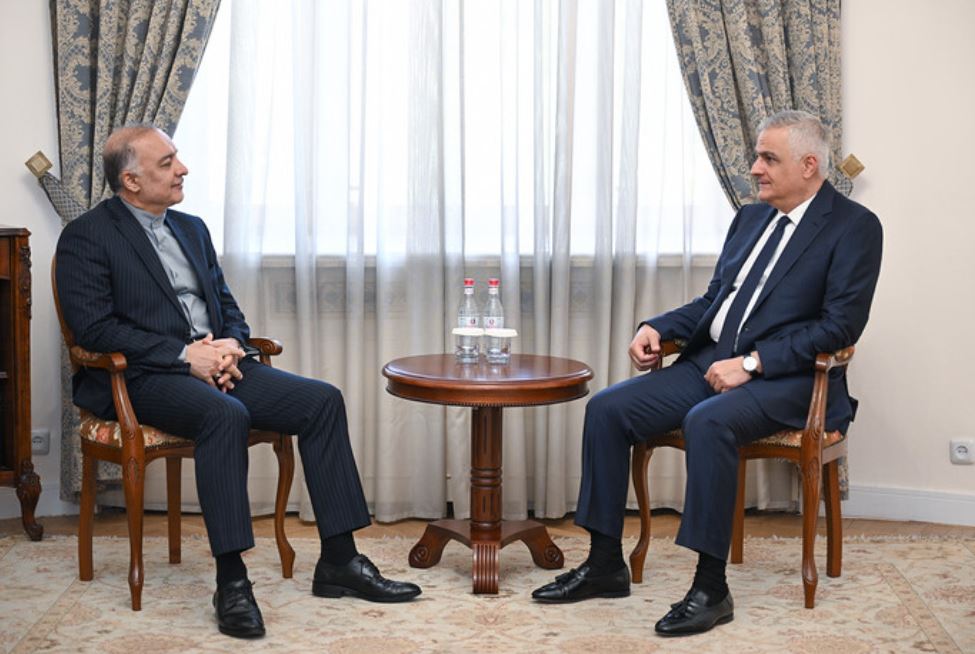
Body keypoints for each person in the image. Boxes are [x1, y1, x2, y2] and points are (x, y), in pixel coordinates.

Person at [55, 125, 422, 639]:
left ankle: (340, 561)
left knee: (321, 401)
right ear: (131, 180)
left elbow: (225, 304)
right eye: (167, 163)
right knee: (225, 415)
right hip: (145, 377)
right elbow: (95, 329)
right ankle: (231, 582)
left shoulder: (192, 228)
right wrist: (186, 356)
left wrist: (231, 345)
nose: (182, 169)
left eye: (177, 158)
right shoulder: (87, 236)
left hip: (216, 364)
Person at [530, 110, 882, 636]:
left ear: (809, 165)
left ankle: (711, 589)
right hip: (708, 363)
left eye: (768, 158)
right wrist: (657, 326)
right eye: (757, 156)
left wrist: (752, 363)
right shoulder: (751, 219)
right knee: (607, 408)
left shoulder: (854, 227)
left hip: (789, 382)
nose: (755, 168)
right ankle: (604, 564)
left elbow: (840, 326)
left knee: (708, 420)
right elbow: (716, 301)